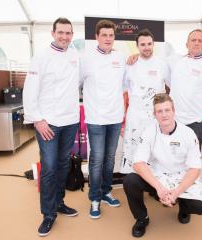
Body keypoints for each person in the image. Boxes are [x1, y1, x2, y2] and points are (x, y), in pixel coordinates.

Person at [123, 93, 202, 238]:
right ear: (154, 114)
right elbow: (138, 163)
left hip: (180, 179)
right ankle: (141, 219)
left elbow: (195, 169)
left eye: (167, 110)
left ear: (173, 111)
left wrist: (176, 192)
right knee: (130, 180)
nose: (164, 115)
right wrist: (159, 188)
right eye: (159, 111)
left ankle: (184, 208)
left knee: (201, 206)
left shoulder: (188, 134)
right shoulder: (149, 132)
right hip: (159, 178)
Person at [23, 17, 80, 237]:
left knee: (63, 165)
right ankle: (48, 214)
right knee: (48, 168)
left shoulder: (75, 56)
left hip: (70, 121)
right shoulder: (40, 57)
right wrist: (38, 119)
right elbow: (30, 91)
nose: (65, 37)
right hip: (48, 123)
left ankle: (59, 203)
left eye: (68, 33)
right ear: (53, 33)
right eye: (61, 32)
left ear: (72, 35)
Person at [80, 19, 125, 219]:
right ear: (96, 37)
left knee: (109, 158)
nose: (108, 38)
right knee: (96, 159)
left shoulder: (121, 58)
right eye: (104, 35)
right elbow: (76, 84)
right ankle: (95, 198)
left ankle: (106, 191)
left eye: (111, 35)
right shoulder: (86, 59)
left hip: (115, 117)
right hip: (96, 118)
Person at [120, 29, 170, 174]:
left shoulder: (162, 64)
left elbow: (172, 86)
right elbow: (124, 90)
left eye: (149, 44)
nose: (146, 47)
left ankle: (155, 186)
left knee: (155, 150)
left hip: (155, 116)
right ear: (137, 46)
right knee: (134, 150)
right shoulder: (130, 64)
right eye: (143, 44)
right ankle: (133, 185)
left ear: (153, 44)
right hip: (135, 115)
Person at [168, 29, 202, 148]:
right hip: (174, 120)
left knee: (193, 160)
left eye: (200, 41)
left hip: (196, 122)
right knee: (172, 158)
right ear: (186, 44)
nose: (196, 43)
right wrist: (136, 55)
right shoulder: (174, 61)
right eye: (193, 40)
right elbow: (153, 60)